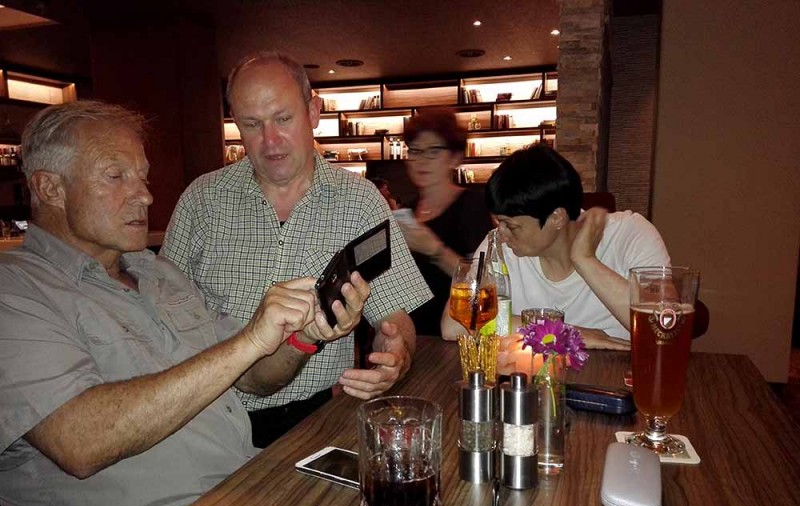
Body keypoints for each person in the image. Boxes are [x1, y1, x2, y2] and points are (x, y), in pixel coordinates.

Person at [0, 101, 370, 506]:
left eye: (143, 176)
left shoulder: (158, 273)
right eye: (116, 176)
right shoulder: (15, 291)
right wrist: (249, 342)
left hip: (248, 493)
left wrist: (305, 337)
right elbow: (81, 442)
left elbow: (252, 376)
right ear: (49, 187)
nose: (145, 194)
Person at [161, 51, 431, 447]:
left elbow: (394, 315)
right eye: (252, 124)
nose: (270, 141)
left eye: (283, 119)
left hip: (312, 421)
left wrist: (395, 354)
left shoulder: (360, 202)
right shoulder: (201, 200)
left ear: (313, 112)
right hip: (205, 419)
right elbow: (159, 317)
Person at [441, 144, 671, 349]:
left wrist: (584, 259)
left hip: (618, 376)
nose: (500, 233)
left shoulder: (629, 234)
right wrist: (565, 333)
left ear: (557, 218)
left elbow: (663, 330)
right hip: (532, 376)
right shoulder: (498, 247)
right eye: (498, 222)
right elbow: (453, 325)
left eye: (511, 225)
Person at [396, 107, 493, 336]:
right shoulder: (406, 210)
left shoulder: (473, 206)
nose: (421, 160)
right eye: (415, 151)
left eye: (433, 151)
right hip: (407, 334)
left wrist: (435, 250)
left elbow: (485, 281)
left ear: (455, 158)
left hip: (454, 335)